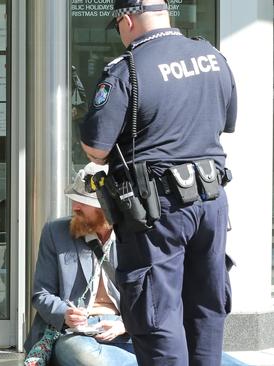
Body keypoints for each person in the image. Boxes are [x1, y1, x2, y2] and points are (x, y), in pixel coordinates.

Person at [79, 0, 237, 365]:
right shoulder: (212, 57)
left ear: (127, 19)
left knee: (155, 311)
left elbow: (95, 149)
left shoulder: (127, 69)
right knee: (206, 306)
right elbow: (224, 123)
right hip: (211, 201)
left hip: (158, 210)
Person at [25, 163, 137, 366]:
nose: (75, 207)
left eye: (83, 202)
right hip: (75, 333)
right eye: (75, 200)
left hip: (127, 329)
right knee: (82, 354)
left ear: (107, 207)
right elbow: (41, 294)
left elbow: (155, 295)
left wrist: (126, 324)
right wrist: (65, 314)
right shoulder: (56, 232)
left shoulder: (135, 235)